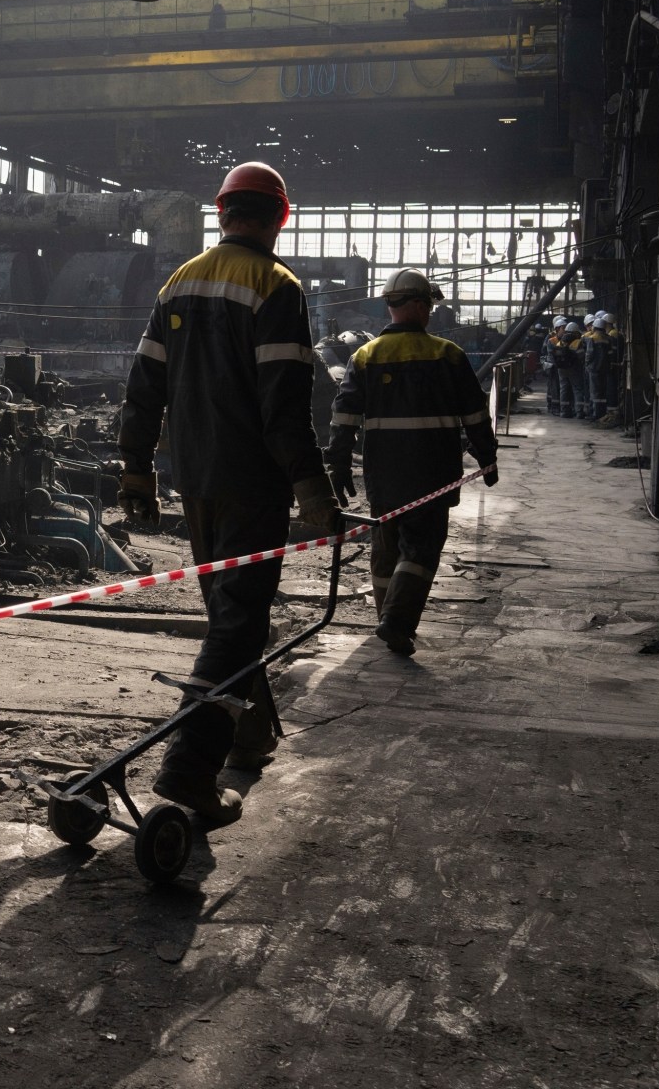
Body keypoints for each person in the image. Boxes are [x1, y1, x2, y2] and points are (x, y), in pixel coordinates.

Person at [114, 161, 338, 829]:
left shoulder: (179, 281)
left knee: (230, 616)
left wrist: (136, 472)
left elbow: (143, 386)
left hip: (196, 480)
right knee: (239, 622)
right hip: (252, 482)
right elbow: (284, 408)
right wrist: (312, 488)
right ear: (281, 217)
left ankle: (248, 733)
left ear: (221, 213)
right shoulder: (277, 285)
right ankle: (189, 777)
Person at [326, 269, 501, 657]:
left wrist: (337, 463)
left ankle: (386, 616)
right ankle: (397, 621)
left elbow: (345, 415)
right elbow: (474, 414)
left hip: (383, 471)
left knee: (386, 545)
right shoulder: (447, 355)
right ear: (421, 305)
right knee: (421, 548)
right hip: (433, 471)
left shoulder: (365, 355)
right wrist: (486, 456)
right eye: (430, 305)